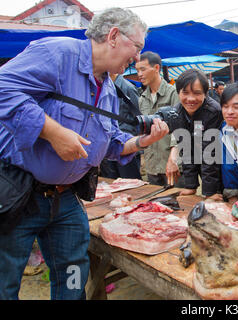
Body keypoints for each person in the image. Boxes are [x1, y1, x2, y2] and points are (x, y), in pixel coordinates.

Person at [0, 8, 169, 300]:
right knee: (5, 282)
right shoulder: (58, 53)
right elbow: (3, 87)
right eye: (138, 48)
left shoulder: (109, 88)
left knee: (73, 277)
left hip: (66, 199)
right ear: (114, 36)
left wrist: (143, 141)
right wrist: (52, 132)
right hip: (19, 191)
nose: (137, 58)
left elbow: (112, 143)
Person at [171, 69, 223, 200]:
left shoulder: (213, 111)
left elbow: (210, 154)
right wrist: (190, 186)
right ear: (178, 92)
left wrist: (210, 191)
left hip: (220, 166)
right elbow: (185, 149)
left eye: (197, 93)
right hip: (200, 161)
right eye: (185, 93)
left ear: (205, 94)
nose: (190, 99)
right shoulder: (177, 112)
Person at [135, 51, 181, 186]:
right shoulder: (142, 99)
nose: (139, 75)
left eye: (143, 69)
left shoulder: (173, 93)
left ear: (156, 68)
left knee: (178, 202)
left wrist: (174, 159)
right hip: (152, 165)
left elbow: (180, 129)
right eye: (137, 70)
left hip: (171, 163)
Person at [99, 73, 143, 179]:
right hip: (108, 145)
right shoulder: (103, 87)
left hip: (126, 145)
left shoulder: (128, 88)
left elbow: (140, 117)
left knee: (130, 182)